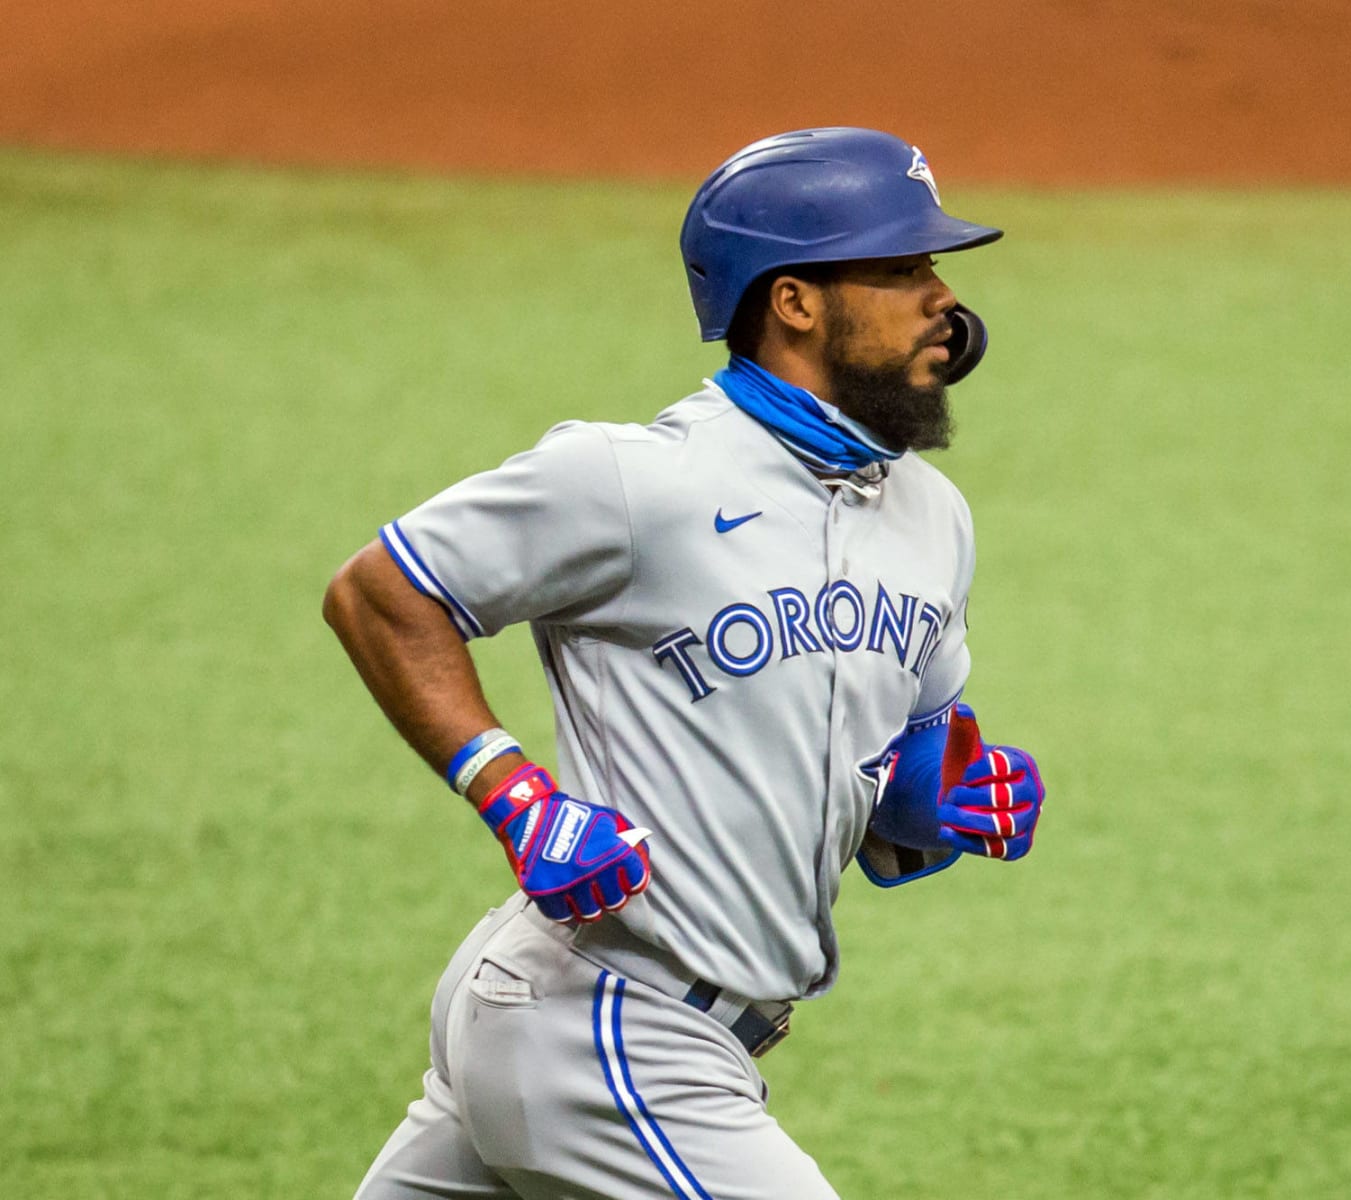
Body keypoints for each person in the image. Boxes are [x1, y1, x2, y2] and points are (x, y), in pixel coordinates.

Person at [324, 126, 1048, 1200]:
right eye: (900, 269)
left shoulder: (932, 517)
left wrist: (939, 805)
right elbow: (381, 592)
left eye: (935, 267)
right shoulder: (634, 482)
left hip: (597, 1025)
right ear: (793, 300)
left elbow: (903, 766)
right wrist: (515, 795)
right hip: (609, 1030)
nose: (942, 297)